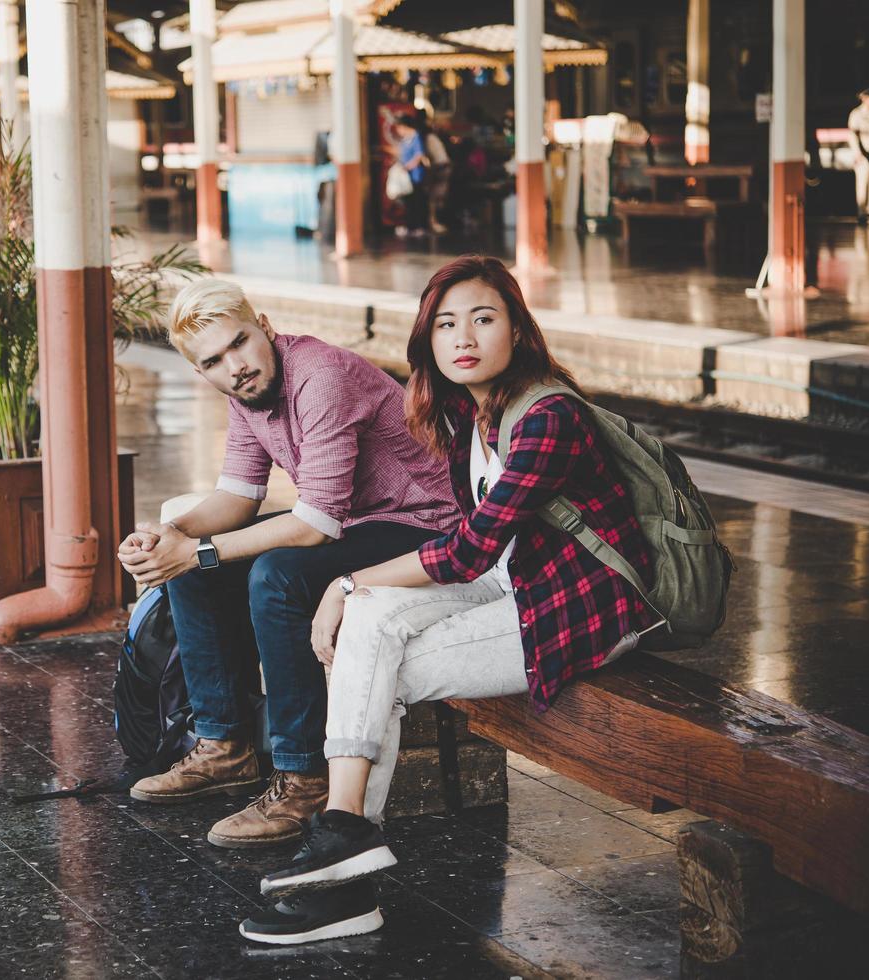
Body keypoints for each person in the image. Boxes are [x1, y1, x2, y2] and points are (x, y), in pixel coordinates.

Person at [239, 255, 660, 944]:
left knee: (367, 651)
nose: (463, 336)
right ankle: (343, 838)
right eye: (445, 323)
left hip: (581, 608)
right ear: (428, 341)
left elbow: (465, 550)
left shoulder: (546, 416)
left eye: (483, 319)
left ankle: (344, 871)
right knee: (369, 630)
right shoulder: (473, 413)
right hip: (512, 582)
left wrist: (346, 584)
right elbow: (476, 550)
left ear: (517, 332)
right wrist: (359, 596)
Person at [119, 279, 460, 850]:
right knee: (196, 567)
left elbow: (314, 524)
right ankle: (223, 747)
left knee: (275, 577)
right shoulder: (245, 395)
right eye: (214, 361)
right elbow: (238, 495)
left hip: (425, 523)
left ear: (266, 327)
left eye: (241, 343)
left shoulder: (320, 376)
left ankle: (303, 778)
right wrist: (169, 537)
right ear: (200, 373)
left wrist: (195, 548)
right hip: (359, 521)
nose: (236, 366)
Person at [390, 115, 429, 237]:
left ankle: (420, 227)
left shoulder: (416, 136)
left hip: (416, 175)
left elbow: (419, 156)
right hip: (406, 177)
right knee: (409, 202)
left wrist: (407, 167)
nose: (398, 131)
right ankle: (411, 226)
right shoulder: (404, 140)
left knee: (418, 201)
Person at [848, 88, 869, 224]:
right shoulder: (857, 114)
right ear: (865, 99)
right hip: (863, 155)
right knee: (862, 184)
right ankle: (862, 214)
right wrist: (857, 153)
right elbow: (852, 135)